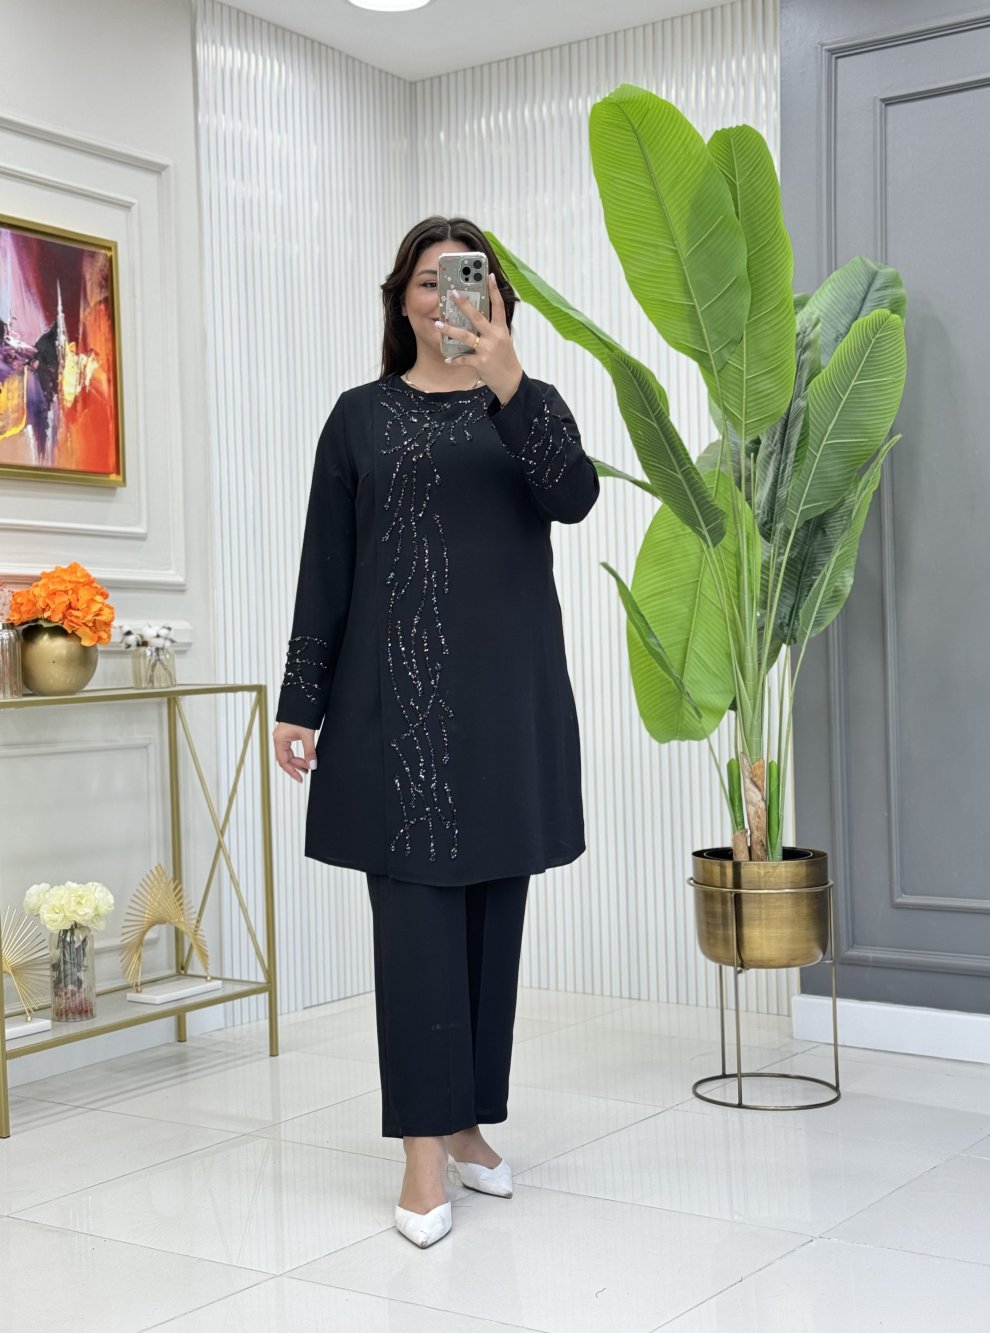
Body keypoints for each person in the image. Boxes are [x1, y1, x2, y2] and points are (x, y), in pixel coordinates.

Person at [272, 215, 599, 1249]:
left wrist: (508, 378)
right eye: (427, 280)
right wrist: (300, 697)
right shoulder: (358, 418)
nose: (444, 296)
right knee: (415, 925)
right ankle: (422, 1149)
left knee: (493, 917)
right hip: (396, 707)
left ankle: (464, 1122)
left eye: (464, 280)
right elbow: (327, 563)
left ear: (494, 298)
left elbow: (575, 497)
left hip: (507, 702)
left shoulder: (527, 404)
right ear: (401, 300)